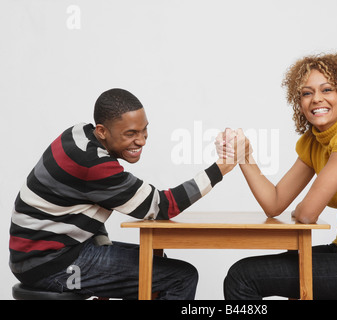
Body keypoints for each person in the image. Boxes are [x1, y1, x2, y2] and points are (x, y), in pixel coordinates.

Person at [9, 88, 237, 299]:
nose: (141, 140)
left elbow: (85, 206)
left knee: (157, 264)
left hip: (41, 257)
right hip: (51, 268)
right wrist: (221, 168)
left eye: (144, 129)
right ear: (102, 131)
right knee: (180, 276)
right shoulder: (92, 163)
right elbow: (162, 206)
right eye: (130, 133)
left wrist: (105, 251)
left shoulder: (78, 134)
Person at [218, 53, 337, 300]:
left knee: (243, 276)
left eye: (327, 90)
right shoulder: (313, 142)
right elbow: (274, 203)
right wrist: (244, 157)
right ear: (299, 102)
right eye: (307, 93)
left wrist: (301, 210)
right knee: (259, 268)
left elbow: (307, 214)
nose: (316, 98)